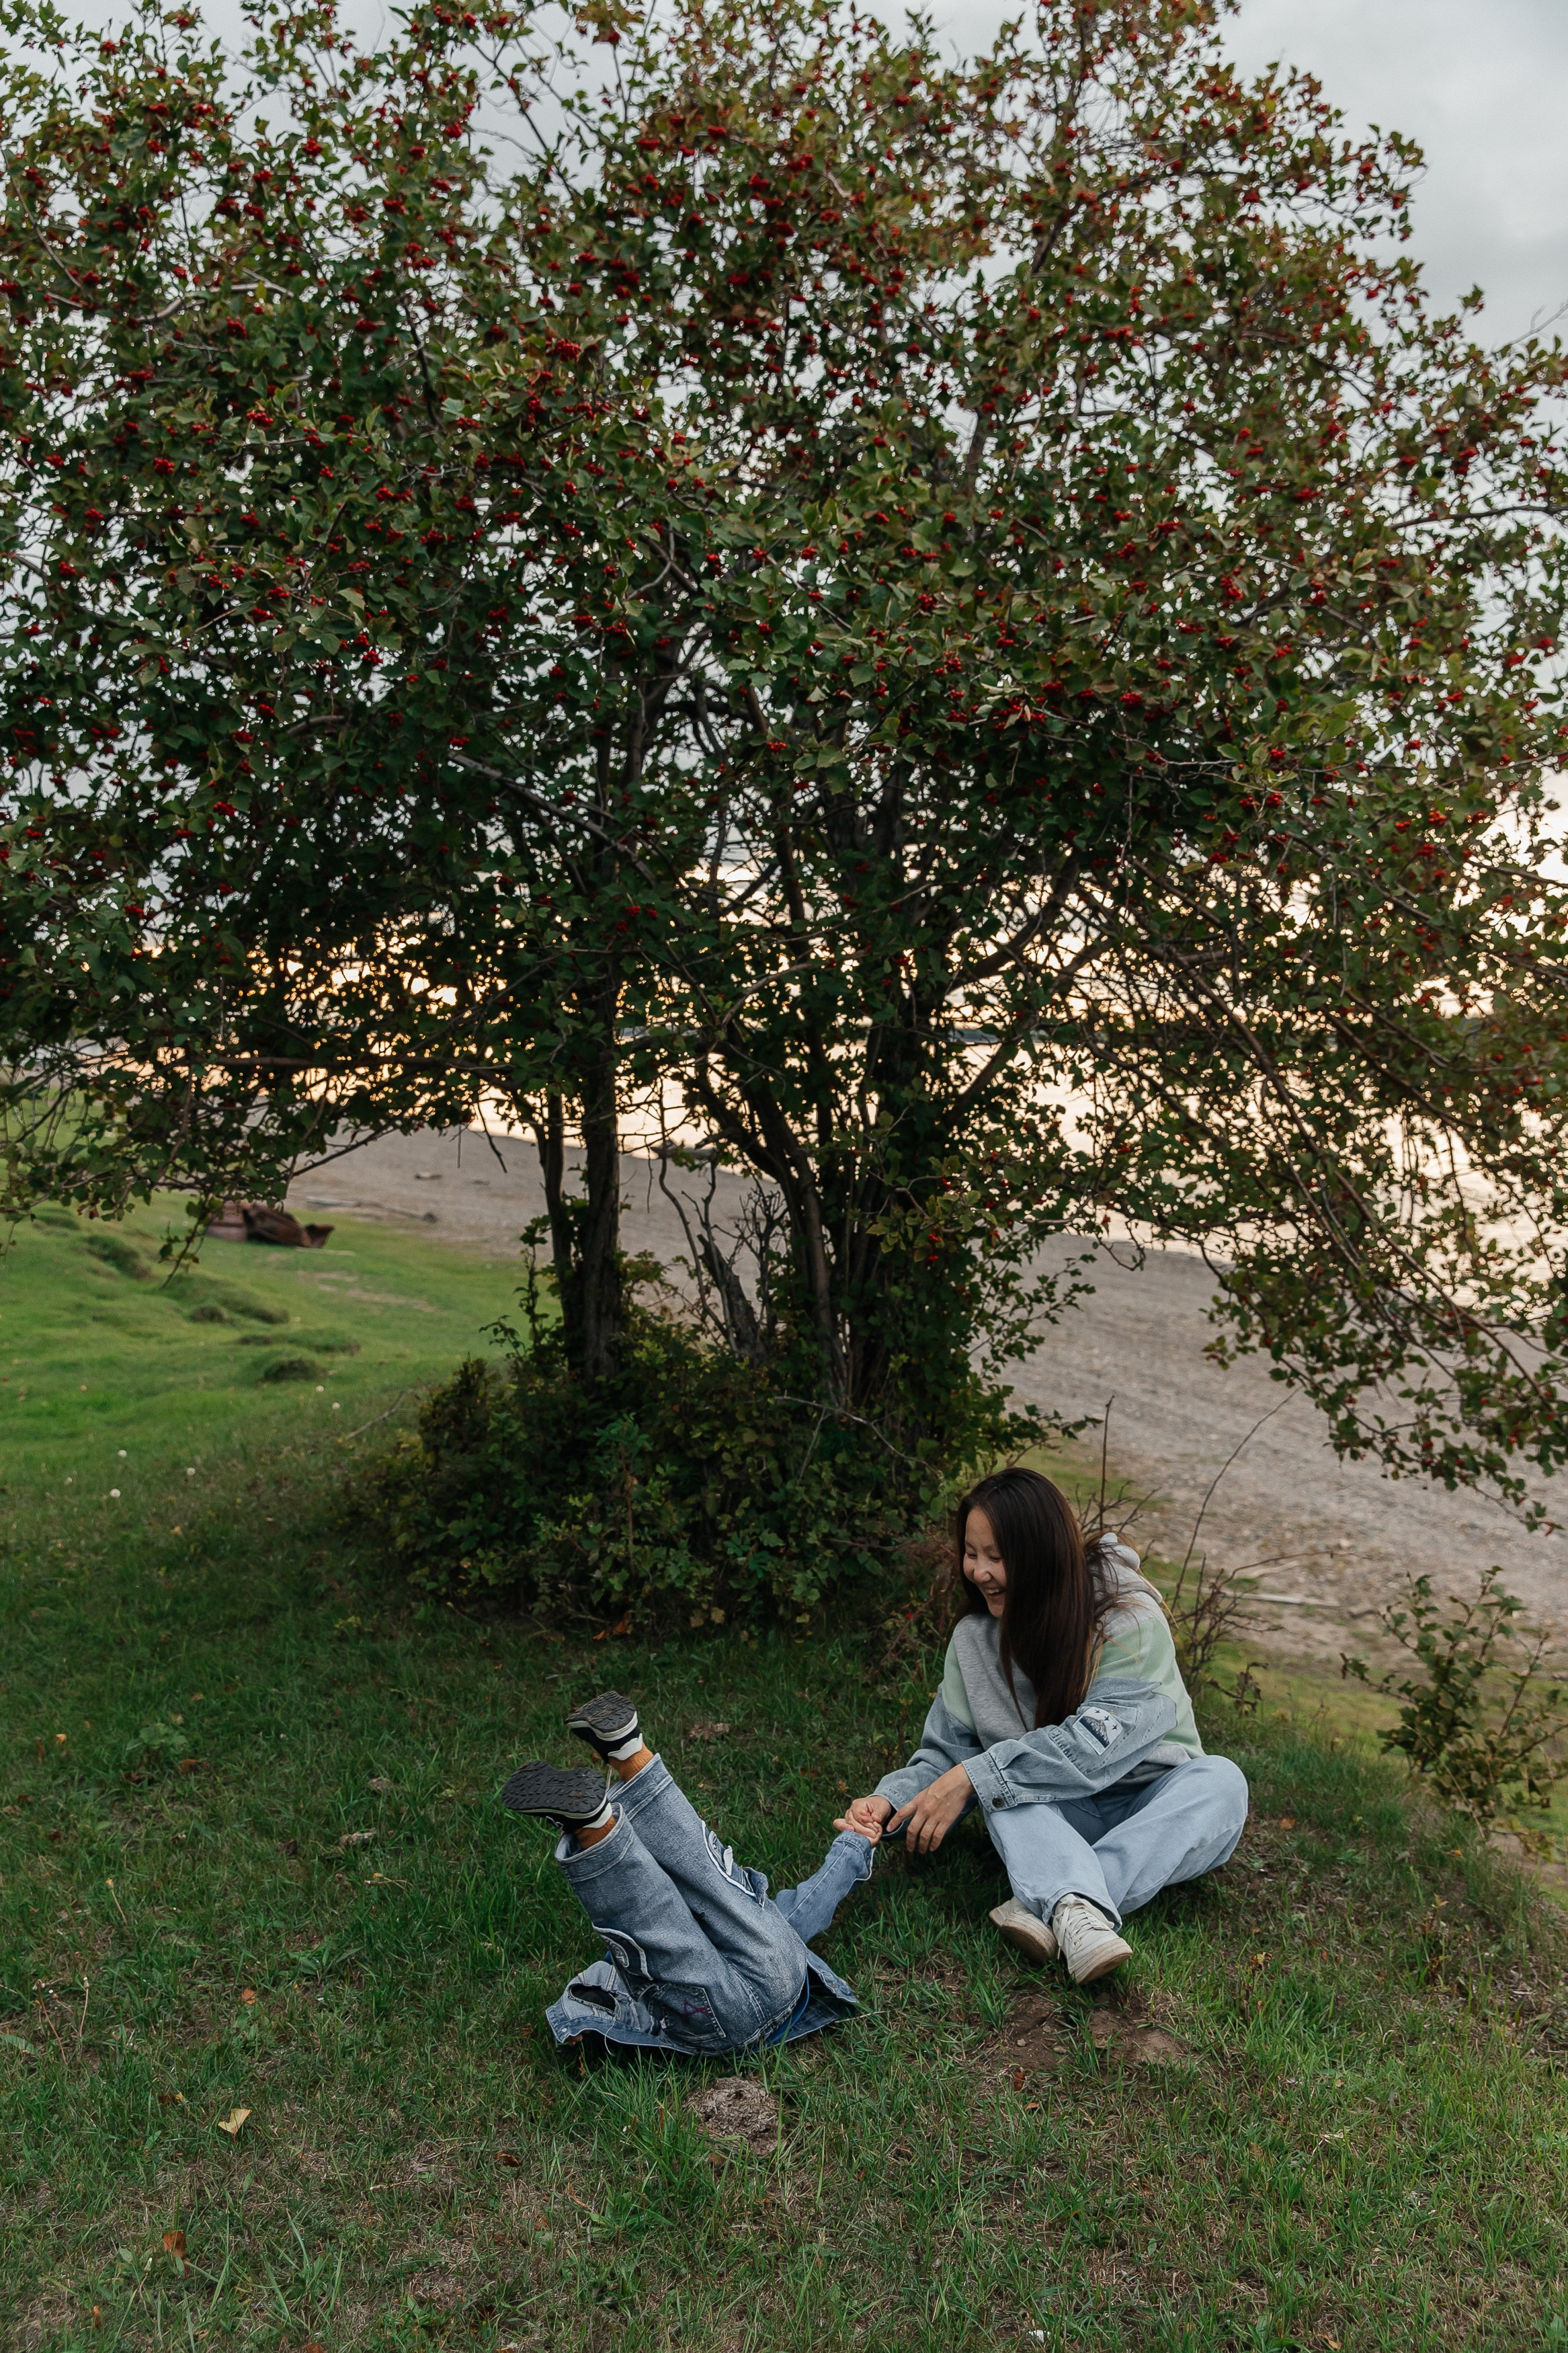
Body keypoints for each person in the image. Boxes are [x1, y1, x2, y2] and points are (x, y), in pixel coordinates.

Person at [835, 1466, 1249, 1985]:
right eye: (971, 1552)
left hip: (1147, 1805)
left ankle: (1056, 1903)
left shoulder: (1128, 1621)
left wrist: (974, 1778)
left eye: (997, 1557)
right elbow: (948, 1754)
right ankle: (1073, 1912)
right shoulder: (973, 1640)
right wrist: (888, 1803)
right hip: (1053, 1813)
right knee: (999, 1783)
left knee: (1222, 1782)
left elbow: (1089, 1749)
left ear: (1043, 1555)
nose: (978, 1572)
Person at [504, 1689, 873, 2056]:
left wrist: (855, 1847)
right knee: (681, 1903)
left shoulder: (613, 1979)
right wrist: (853, 1847)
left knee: (694, 1893)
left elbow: (810, 1903)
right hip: (742, 1999)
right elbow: (810, 1901)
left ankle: (619, 1768)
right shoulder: (615, 1974)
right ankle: (613, 1784)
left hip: (775, 1982)